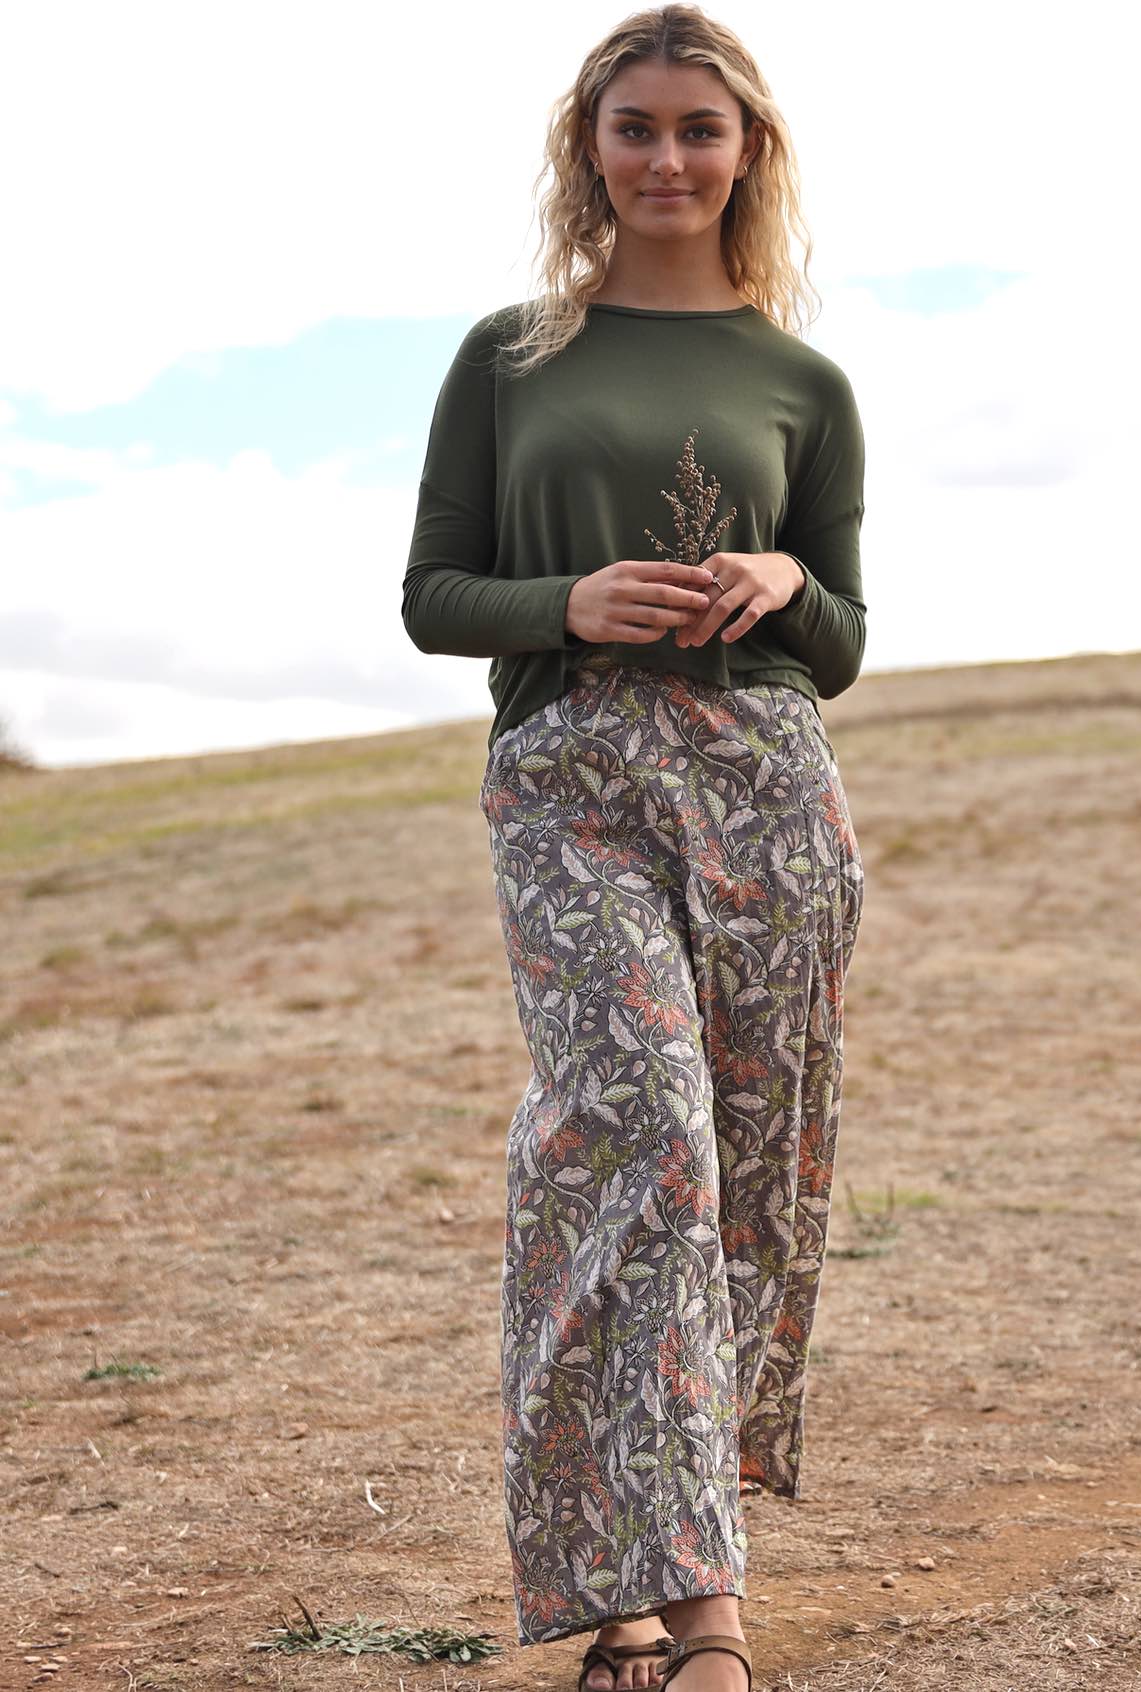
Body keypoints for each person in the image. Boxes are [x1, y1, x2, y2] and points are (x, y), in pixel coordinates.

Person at [402, 7, 867, 1691]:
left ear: (748, 153)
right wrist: (572, 601)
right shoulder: (509, 357)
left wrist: (786, 581)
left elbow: (846, 637)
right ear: (588, 149)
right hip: (570, 774)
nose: (667, 157)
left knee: (747, 1166)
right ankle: (660, 1596)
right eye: (636, 127)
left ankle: (682, 1587)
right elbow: (433, 596)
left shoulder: (803, 382)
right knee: (637, 1137)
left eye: (698, 129)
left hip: (767, 781)